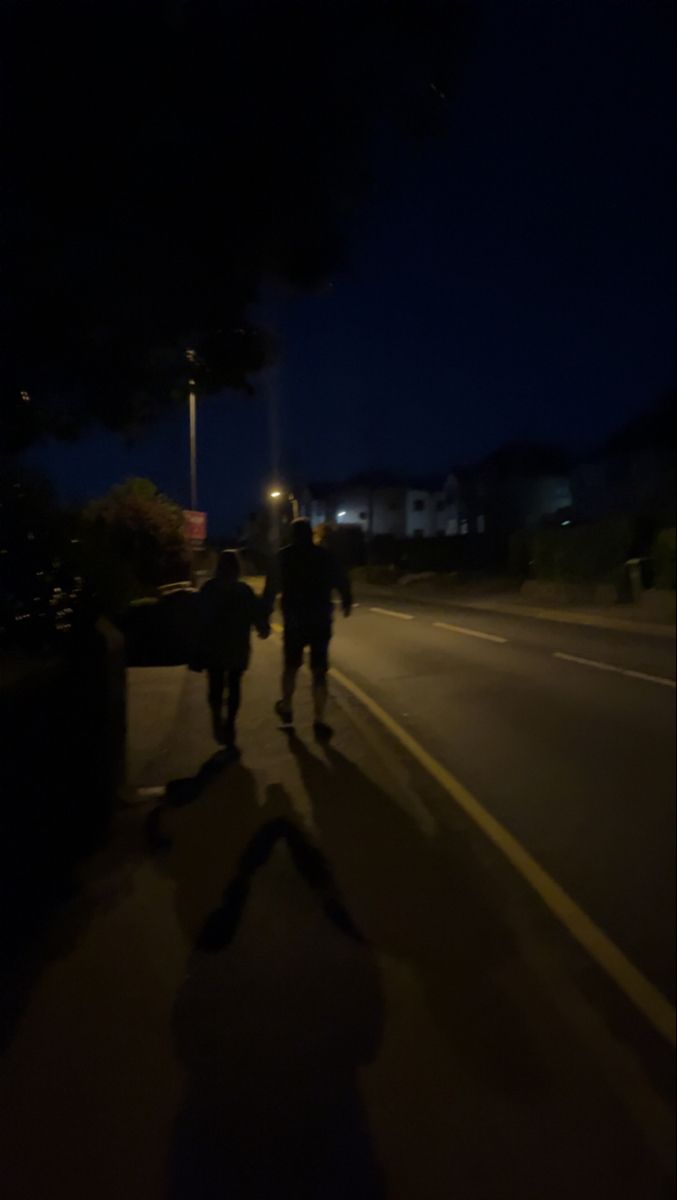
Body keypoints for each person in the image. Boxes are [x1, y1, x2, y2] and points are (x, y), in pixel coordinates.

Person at [264, 518, 352, 740]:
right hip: (320, 620)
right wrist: (346, 601)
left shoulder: (283, 557)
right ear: (310, 535)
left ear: (292, 535)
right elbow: (342, 580)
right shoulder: (324, 557)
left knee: (291, 666)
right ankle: (319, 719)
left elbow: (270, 589)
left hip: (295, 621)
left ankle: (286, 706)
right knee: (319, 670)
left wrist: (263, 616)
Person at [191, 550, 269, 750]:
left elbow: (199, 616)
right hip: (237, 646)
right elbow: (256, 614)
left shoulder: (209, 588)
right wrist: (262, 628)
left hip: (214, 645)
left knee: (215, 685)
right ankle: (231, 723)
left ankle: (217, 717)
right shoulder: (244, 590)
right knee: (234, 685)